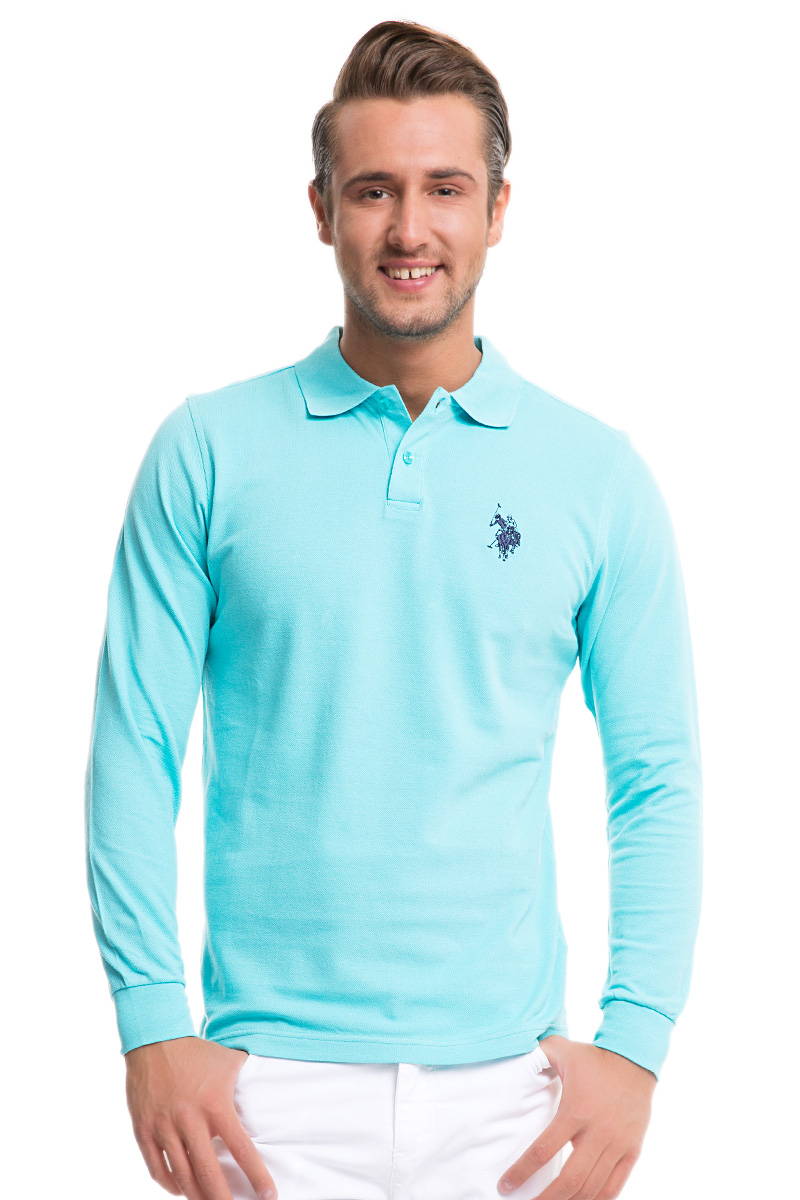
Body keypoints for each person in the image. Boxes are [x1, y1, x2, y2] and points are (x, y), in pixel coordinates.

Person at [84, 18, 703, 1200]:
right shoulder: (206, 450)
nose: (408, 228)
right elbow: (134, 748)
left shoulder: (596, 475)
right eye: (372, 190)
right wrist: (150, 1023)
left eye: (443, 189)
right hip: (259, 1094)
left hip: (512, 1096)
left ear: (497, 209)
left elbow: (655, 774)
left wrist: (633, 1044)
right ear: (321, 210)